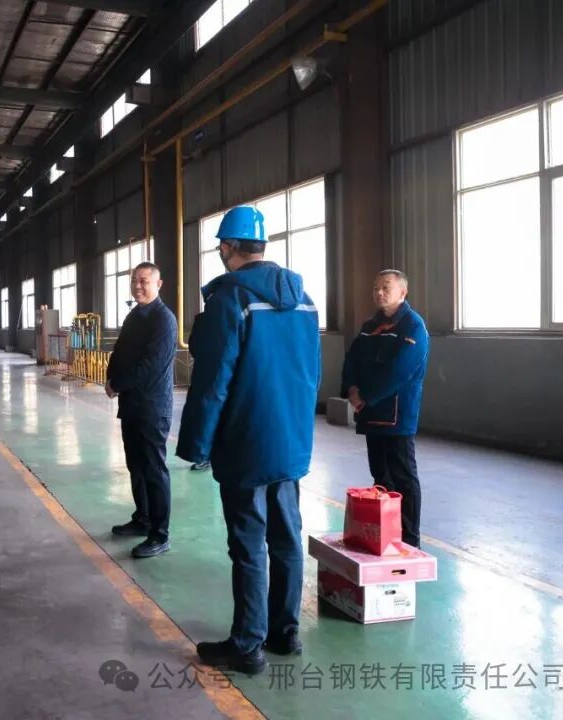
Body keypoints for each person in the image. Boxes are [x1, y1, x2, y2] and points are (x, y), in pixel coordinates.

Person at [176, 205, 320, 676]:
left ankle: (246, 645)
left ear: (227, 247)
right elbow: (310, 375)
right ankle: (285, 632)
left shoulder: (231, 299)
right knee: (286, 537)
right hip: (290, 441)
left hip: (246, 442)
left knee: (249, 543)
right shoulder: (303, 300)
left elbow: (213, 381)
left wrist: (196, 445)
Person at [341, 269, 430, 547]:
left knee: (403, 476)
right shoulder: (369, 326)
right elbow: (352, 359)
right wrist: (352, 390)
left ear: (402, 292)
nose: (379, 292)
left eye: (386, 287)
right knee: (380, 476)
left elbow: (400, 371)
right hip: (371, 413)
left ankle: (410, 540)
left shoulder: (413, 326)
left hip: (397, 415)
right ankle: (387, 534)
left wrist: (366, 395)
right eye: (376, 288)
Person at [105, 262, 178, 559]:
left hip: (152, 407)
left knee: (153, 470)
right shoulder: (134, 316)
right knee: (136, 465)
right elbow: (120, 351)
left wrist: (119, 384)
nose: (137, 285)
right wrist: (110, 378)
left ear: (158, 284)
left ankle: (160, 535)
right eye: (134, 280)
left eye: (144, 281)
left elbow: (151, 367)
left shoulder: (164, 320)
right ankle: (143, 519)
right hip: (132, 404)